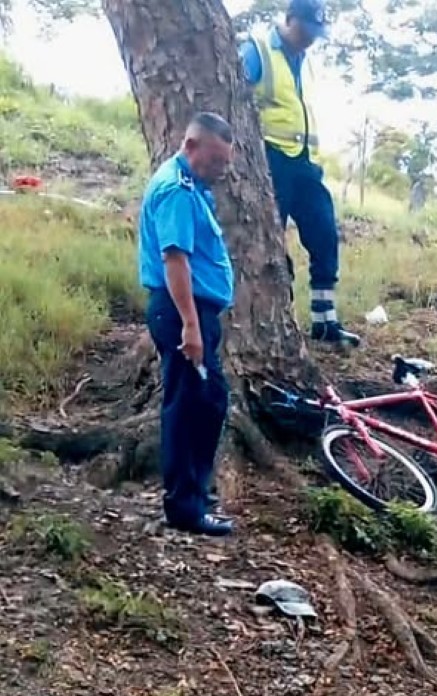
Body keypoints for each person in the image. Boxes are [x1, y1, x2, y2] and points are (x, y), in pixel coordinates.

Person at [238, 0, 360, 346]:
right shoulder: (257, 51)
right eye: (305, 31)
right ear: (289, 20)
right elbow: (236, 98)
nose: (310, 39)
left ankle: (325, 322)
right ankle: (277, 324)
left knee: (324, 233)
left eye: (316, 34)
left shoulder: (306, 63)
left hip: (305, 162)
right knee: (271, 244)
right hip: (270, 161)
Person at [139, 113, 237, 537]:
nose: (220, 170)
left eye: (225, 163)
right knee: (187, 408)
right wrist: (191, 328)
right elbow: (174, 261)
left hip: (194, 312)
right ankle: (184, 508)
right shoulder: (177, 191)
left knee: (211, 400)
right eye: (215, 160)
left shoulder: (193, 186)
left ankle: (195, 489)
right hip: (182, 313)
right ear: (191, 145)